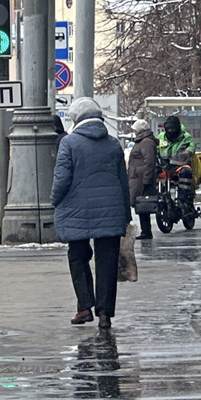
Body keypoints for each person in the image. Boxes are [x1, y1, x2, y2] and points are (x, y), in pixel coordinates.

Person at [51, 97, 131, 329]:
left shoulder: (69, 143)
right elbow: (122, 182)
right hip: (110, 211)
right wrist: (125, 214)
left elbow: (62, 179)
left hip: (76, 212)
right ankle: (105, 314)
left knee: (78, 256)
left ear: (76, 119)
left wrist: (54, 200)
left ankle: (84, 307)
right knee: (107, 261)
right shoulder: (113, 144)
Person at [127, 117, 159, 240]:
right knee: (140, 204)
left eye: (135, 130)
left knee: (143, 204)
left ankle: (146, 231)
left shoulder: (145, 142)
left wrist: (147, 179)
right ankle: (145, 231)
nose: (134, 132)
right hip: (138, 177)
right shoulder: (143, 141)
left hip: (141, 178)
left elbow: (149, 161)